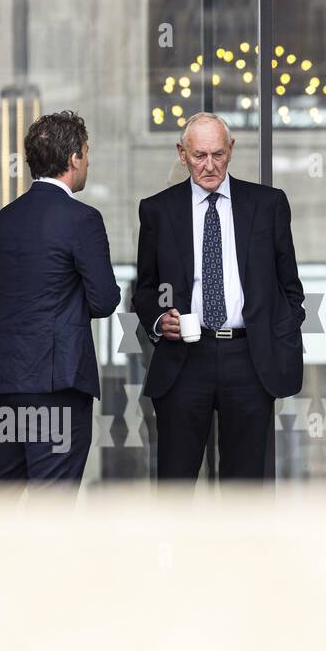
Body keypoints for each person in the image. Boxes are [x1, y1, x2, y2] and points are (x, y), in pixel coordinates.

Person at [133, 112, 306, 483]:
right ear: (182, 154)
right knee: (175, 483)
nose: (209, 166)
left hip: (249, 359)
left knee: (246, 489)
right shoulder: (157, 211)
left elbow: (291, 289)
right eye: (199, 156)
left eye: (218, 155)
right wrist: (159, 321)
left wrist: (278, 338)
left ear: (231, 150)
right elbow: (144, 289)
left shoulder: (268, 205)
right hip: (183, 361)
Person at [0, 110, 120, 486]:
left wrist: (13, 352)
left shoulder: (4, 220)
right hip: (59, 385)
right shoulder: (82, 220)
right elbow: (104, 300)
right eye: (86, 152)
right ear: (72, 158)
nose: (89, 161)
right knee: (51, 503)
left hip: (9, 384)